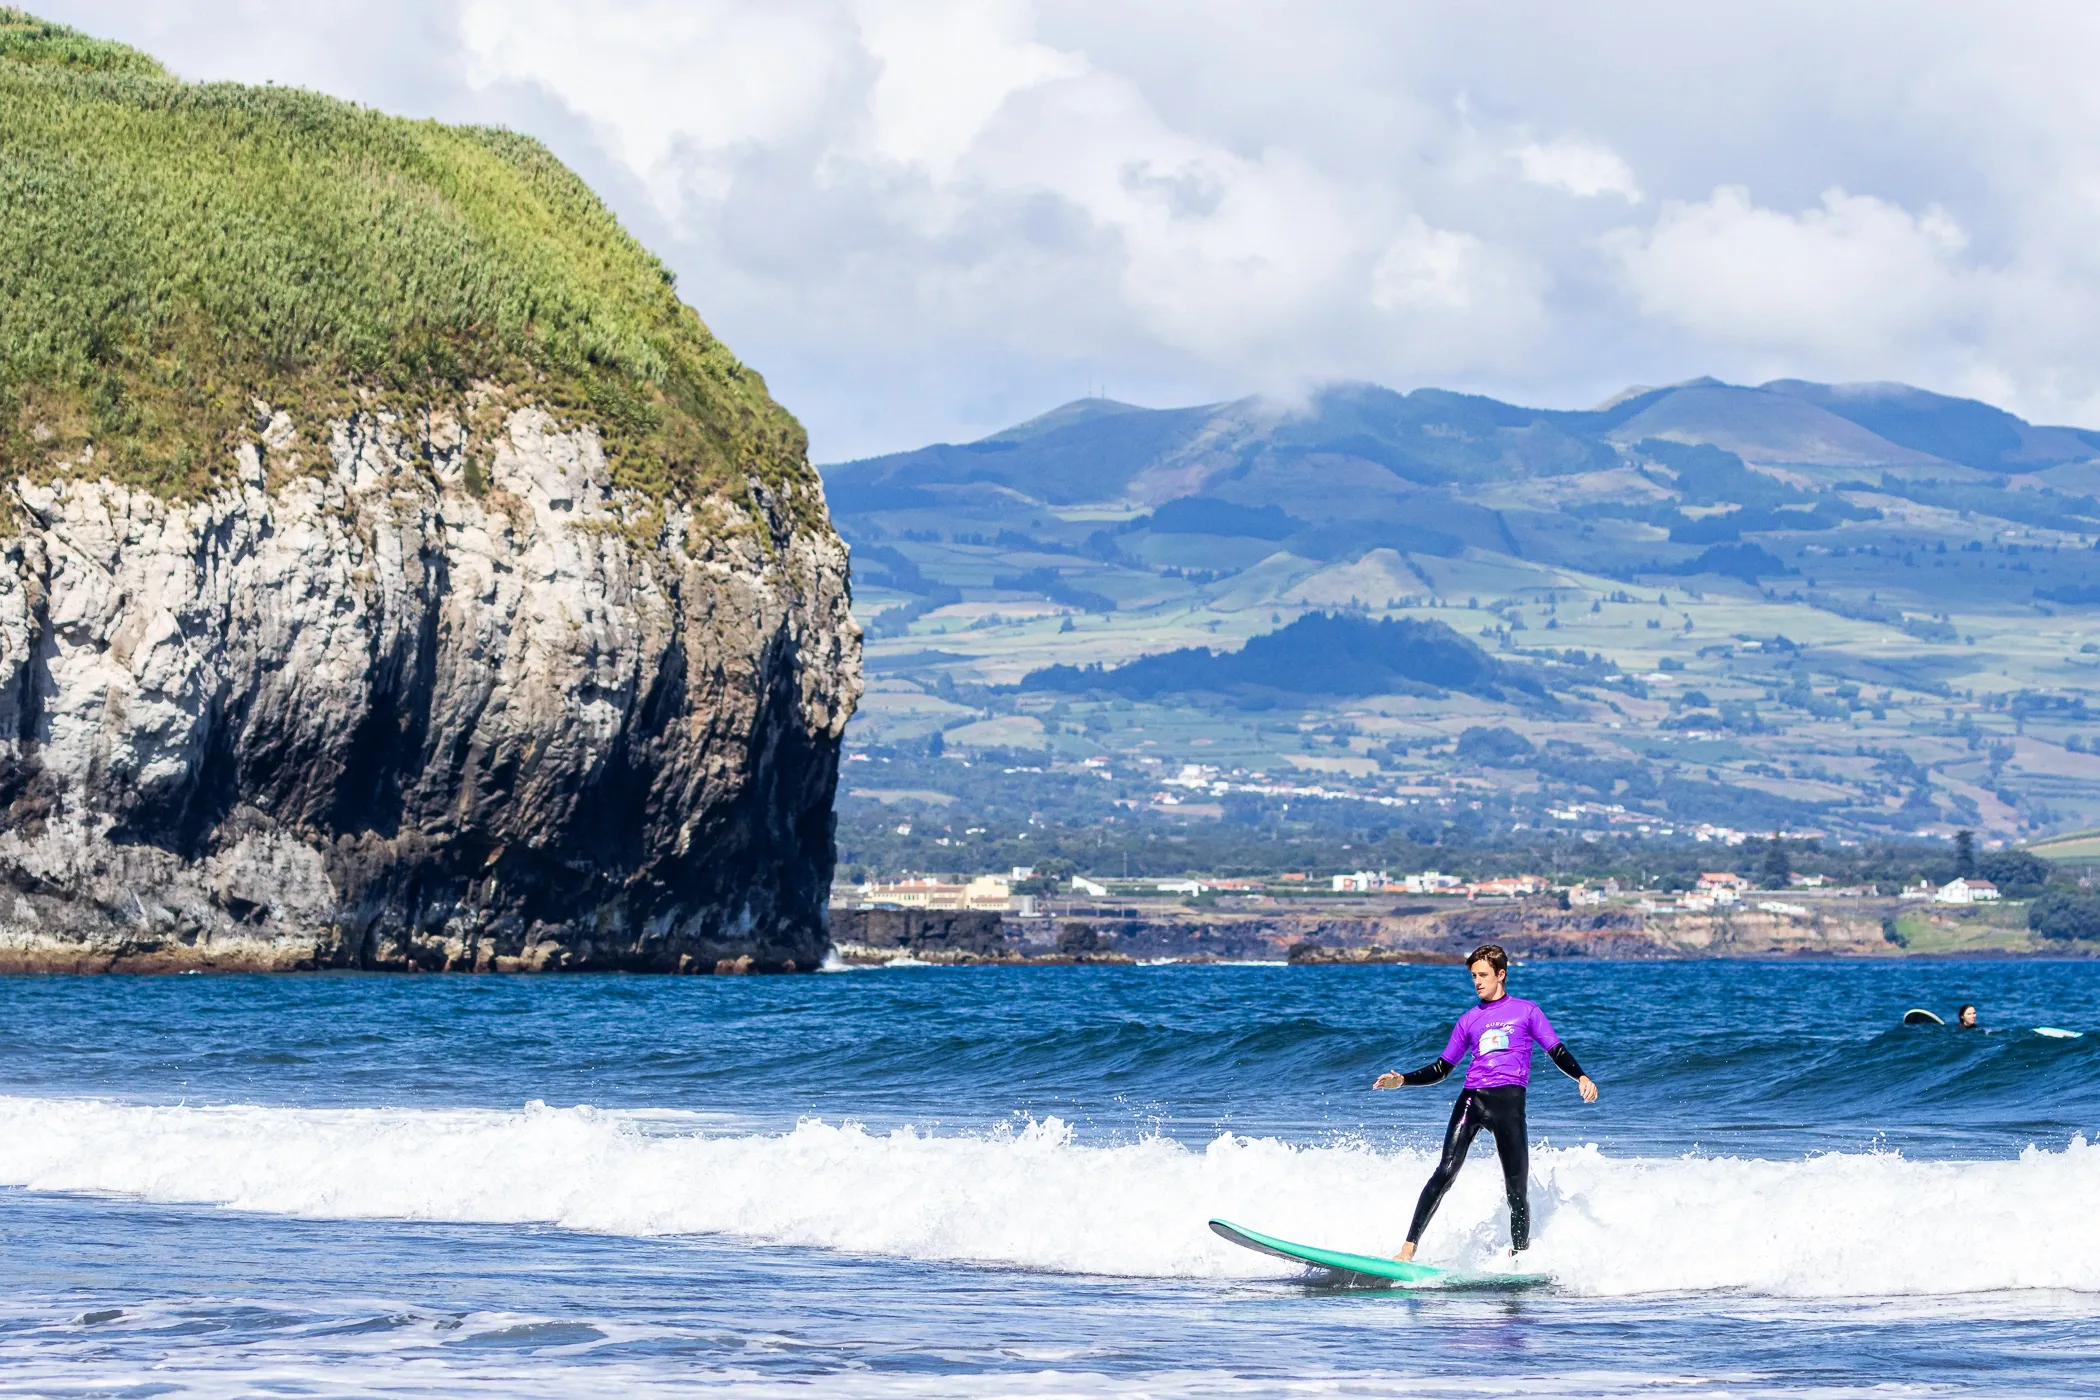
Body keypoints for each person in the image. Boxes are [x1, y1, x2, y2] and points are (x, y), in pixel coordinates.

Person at [1373, 944, 1597, 1259]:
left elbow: (1555, 1050)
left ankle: (1520, 1256)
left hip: (1509, 1105)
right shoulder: (1468, 1020)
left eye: (1483, 975)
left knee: (1516, 1191)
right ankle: (1407, 1249)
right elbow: (1442, 1069)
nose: (1477, 981)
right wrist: (1404, 1080)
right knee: (1445, 1171)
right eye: (1474, 976)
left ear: (1501, 974)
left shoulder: (1526, 1011)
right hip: (1472, 1100)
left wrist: (1582, 1077)